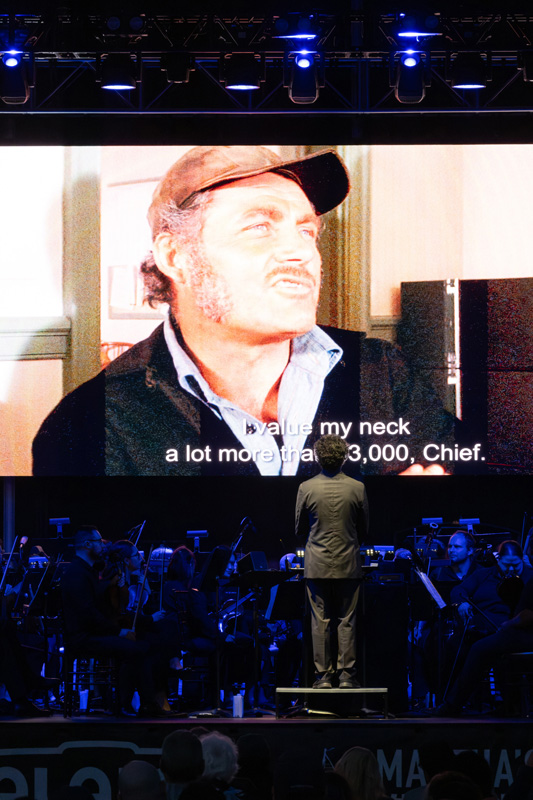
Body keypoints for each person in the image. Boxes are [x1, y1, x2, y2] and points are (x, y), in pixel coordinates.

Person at [33, 145, 457, 477]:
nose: (301, 252)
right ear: (176, 256)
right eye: (259, 226)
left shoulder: (381, 370)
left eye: (306, 230)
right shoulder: (89, 425)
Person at [60, 526, 164, 716]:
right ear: (87, 544)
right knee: (137, 648)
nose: (103, 546)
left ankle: (137, 703)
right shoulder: (77, 574)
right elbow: (88, 614)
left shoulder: (87, 571)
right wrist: (118, 631)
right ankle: (137, 704)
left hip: (92, 633)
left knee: (143, 645)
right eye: (99, 542)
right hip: (84, 638)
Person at [296, 434, 369, 689]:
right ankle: (347, 676)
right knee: (347, 620)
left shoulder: (306, 487)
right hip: (348, 562)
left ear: (317, 457)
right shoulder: (357, 487)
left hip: (317, 564)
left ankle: (324, 677)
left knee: (320, 622)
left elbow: (298, 528)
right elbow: (364, 528)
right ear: (344, 457)